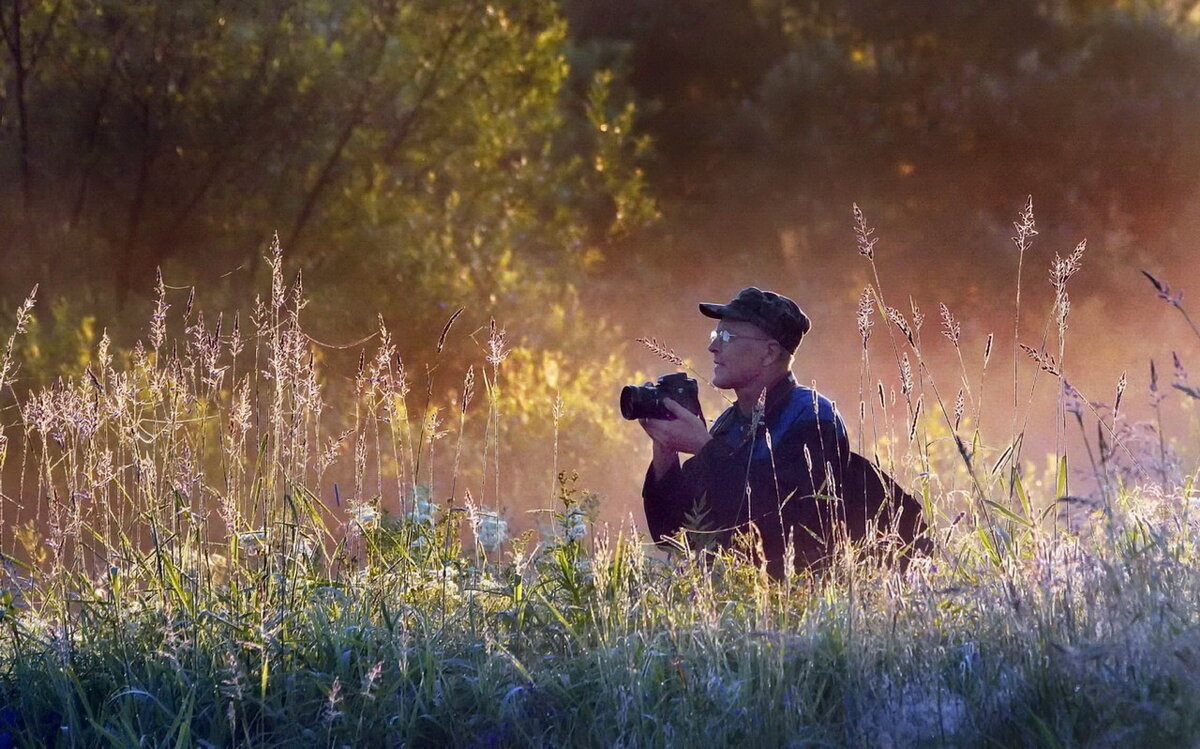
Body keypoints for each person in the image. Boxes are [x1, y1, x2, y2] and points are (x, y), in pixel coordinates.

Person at [639, 286, 851, 578]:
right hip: (735, 607)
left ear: (769, 352)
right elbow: (675, 536)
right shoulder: (731, 422)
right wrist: (665, 453)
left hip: (796, 607)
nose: (713, 347)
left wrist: (705, 448)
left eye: (727, 337)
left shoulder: (811, 416)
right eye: (715, 336)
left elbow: (787, 528)